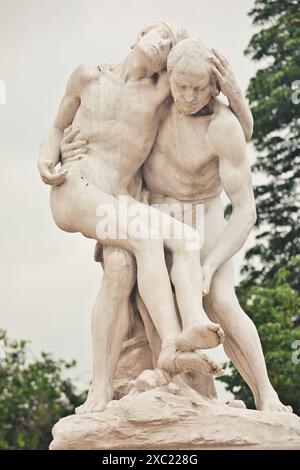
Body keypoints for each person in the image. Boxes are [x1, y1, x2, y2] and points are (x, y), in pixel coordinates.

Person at [38, 23, 226, 414]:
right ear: (137, 35)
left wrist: (233, 91)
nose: (162, 44)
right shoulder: (88, 75)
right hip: (76, 186)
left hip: (119, 199)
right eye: (159, 34)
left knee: (159, 250)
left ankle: (179, 333)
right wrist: (46, 157)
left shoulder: (163, 92)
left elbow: (204, 83)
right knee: (143, 239)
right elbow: (56, 127)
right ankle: (172, 347)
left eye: (169, 44)